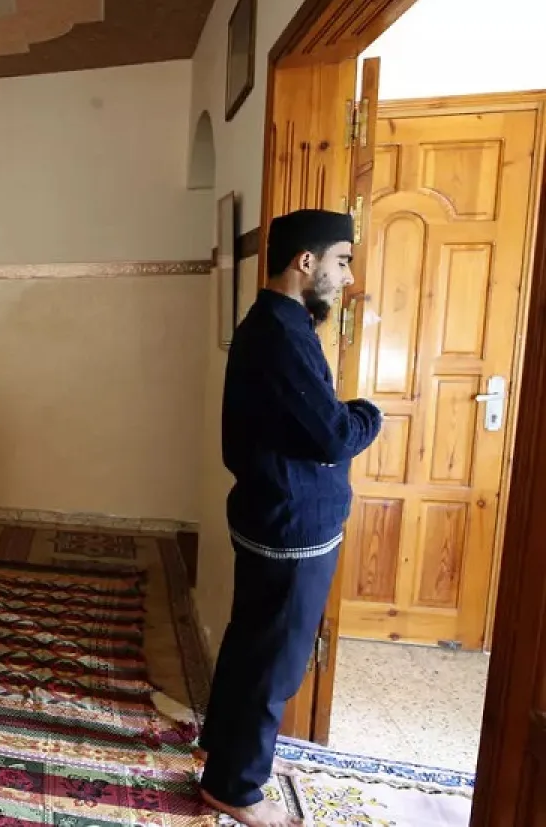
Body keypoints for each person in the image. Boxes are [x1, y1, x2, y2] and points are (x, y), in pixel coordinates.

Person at [198, 209, 383, 827]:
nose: (347, 276)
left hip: (274, 512)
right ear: (306, 262)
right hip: (289, 524)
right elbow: (331, 436)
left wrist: (341, 414)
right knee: (272, 660)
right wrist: (369, 415)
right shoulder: (278, 332)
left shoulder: (279, 323)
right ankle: (235, 786)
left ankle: (224, 752)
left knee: (252, 643)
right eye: (342, 261)